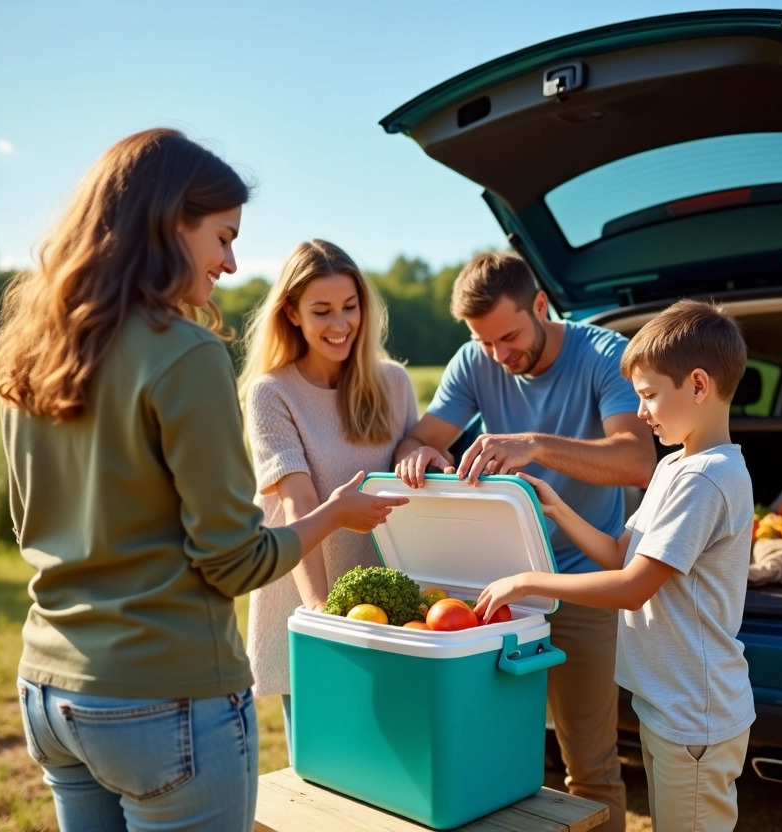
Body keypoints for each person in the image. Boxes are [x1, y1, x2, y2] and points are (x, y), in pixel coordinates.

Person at [0, 128, 406, 832]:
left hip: (50, 689)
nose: (231, 263)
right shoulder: (185, 354)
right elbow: (236, 560)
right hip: (164, 699)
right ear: (171, 222)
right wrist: (334, 514)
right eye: (223, 236)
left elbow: (30, 526)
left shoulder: (35, 345)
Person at [394, 250, 655, 831]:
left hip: (583, 585)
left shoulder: (604, 355)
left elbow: (639, 460)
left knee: (589, 768)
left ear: (541, 305)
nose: (498, 356)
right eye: (485, 342)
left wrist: (535, 443)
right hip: (497, 587)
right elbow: (420, 437)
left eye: (508, 337)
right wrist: (421, 455)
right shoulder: (475, 362)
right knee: (482, 761)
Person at [475, 299, 755, 832]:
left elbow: (632, 588)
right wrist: (557, 507)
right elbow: (621, 552)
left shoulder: (707, 479)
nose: (642, 412)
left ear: (699, 385)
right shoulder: (676, 465)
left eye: (649, 395)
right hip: (669, 704)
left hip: (696, 712)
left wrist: (527, 581)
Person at [237, 239, 418, 757]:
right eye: (322, 311)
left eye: (350, 307)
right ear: (292, 313)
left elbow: (410, 454)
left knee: (392, 763)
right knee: (325, 769)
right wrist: (319, 612)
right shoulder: (271, 392)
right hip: (304, 595)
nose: (340, 324)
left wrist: (418, 448)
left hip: (389, 601)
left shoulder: (394, 382)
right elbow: (298, 505)